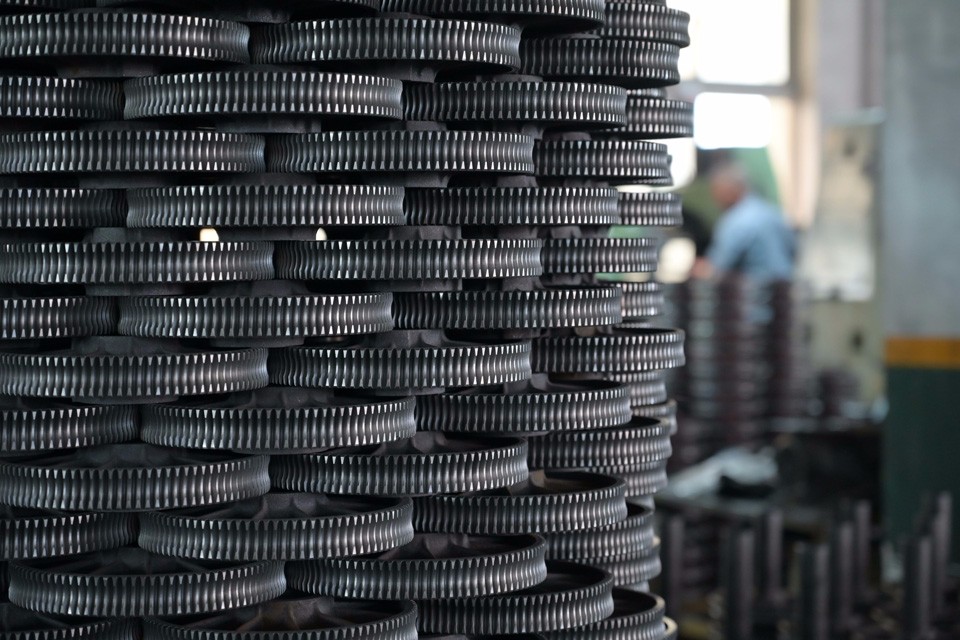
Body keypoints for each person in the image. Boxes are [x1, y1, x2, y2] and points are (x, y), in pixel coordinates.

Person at [698, 162, 795, 281]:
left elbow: (717, 267)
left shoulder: (735, 221)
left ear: (728, 190)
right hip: (787, 285)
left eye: (716, 191)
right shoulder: (772, 212)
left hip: (756, 289)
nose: (715, 198)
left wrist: (699, 269)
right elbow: (793, 247)